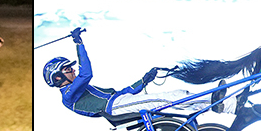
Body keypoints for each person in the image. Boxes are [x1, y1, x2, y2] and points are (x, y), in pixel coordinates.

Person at [42, 29, 229, 119]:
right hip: (115, 108)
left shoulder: (82, 90)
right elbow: (86, 74)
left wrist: (145, 80)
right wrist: (79, 44)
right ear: (57, 78)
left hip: (118, 102)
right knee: (174, 98)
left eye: (71, 68)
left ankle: (215, 104)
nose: (73, 70)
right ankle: (221, 104)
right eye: (68, 69)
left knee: (180, 96)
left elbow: (124, 92)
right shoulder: (68, 96)